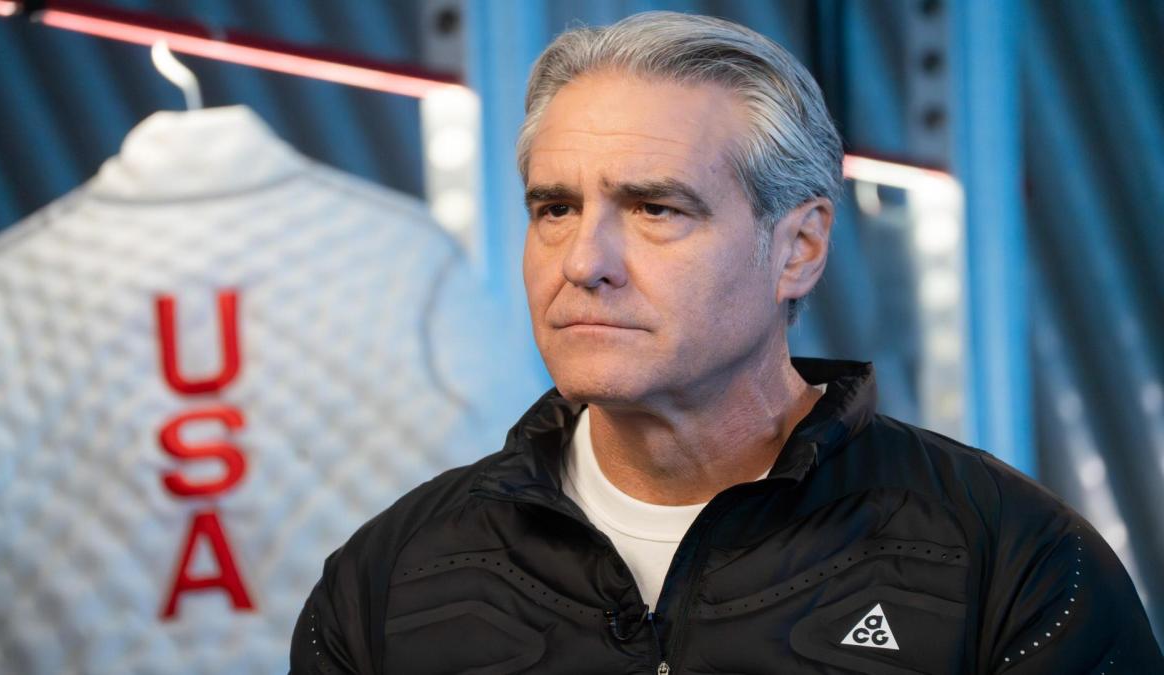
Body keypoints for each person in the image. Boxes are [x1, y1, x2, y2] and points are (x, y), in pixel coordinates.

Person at [291, 11, 1162, 673]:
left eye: (655, 208)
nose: (584, 262)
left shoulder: (1011, 564)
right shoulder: (389, 580)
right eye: (555, 208)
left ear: (799, 248)